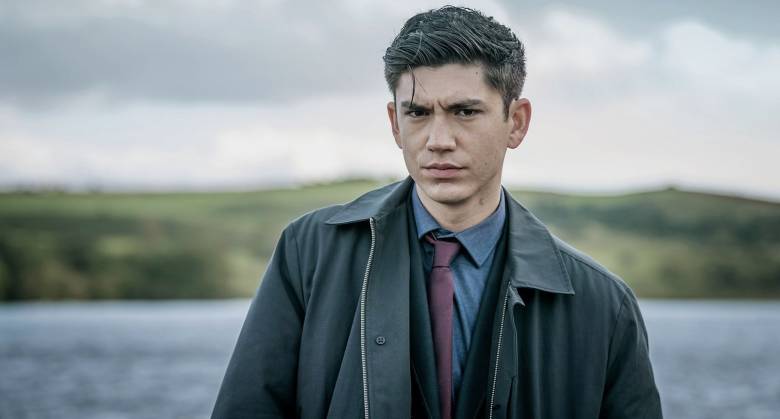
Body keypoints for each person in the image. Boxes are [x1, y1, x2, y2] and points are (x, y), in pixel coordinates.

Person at [211, 6, 662, 419]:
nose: (438, 139)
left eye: (465, 111)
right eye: (419, 113)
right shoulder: (307, 253)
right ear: (394, 123)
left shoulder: (603, 305)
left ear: (517, 122)